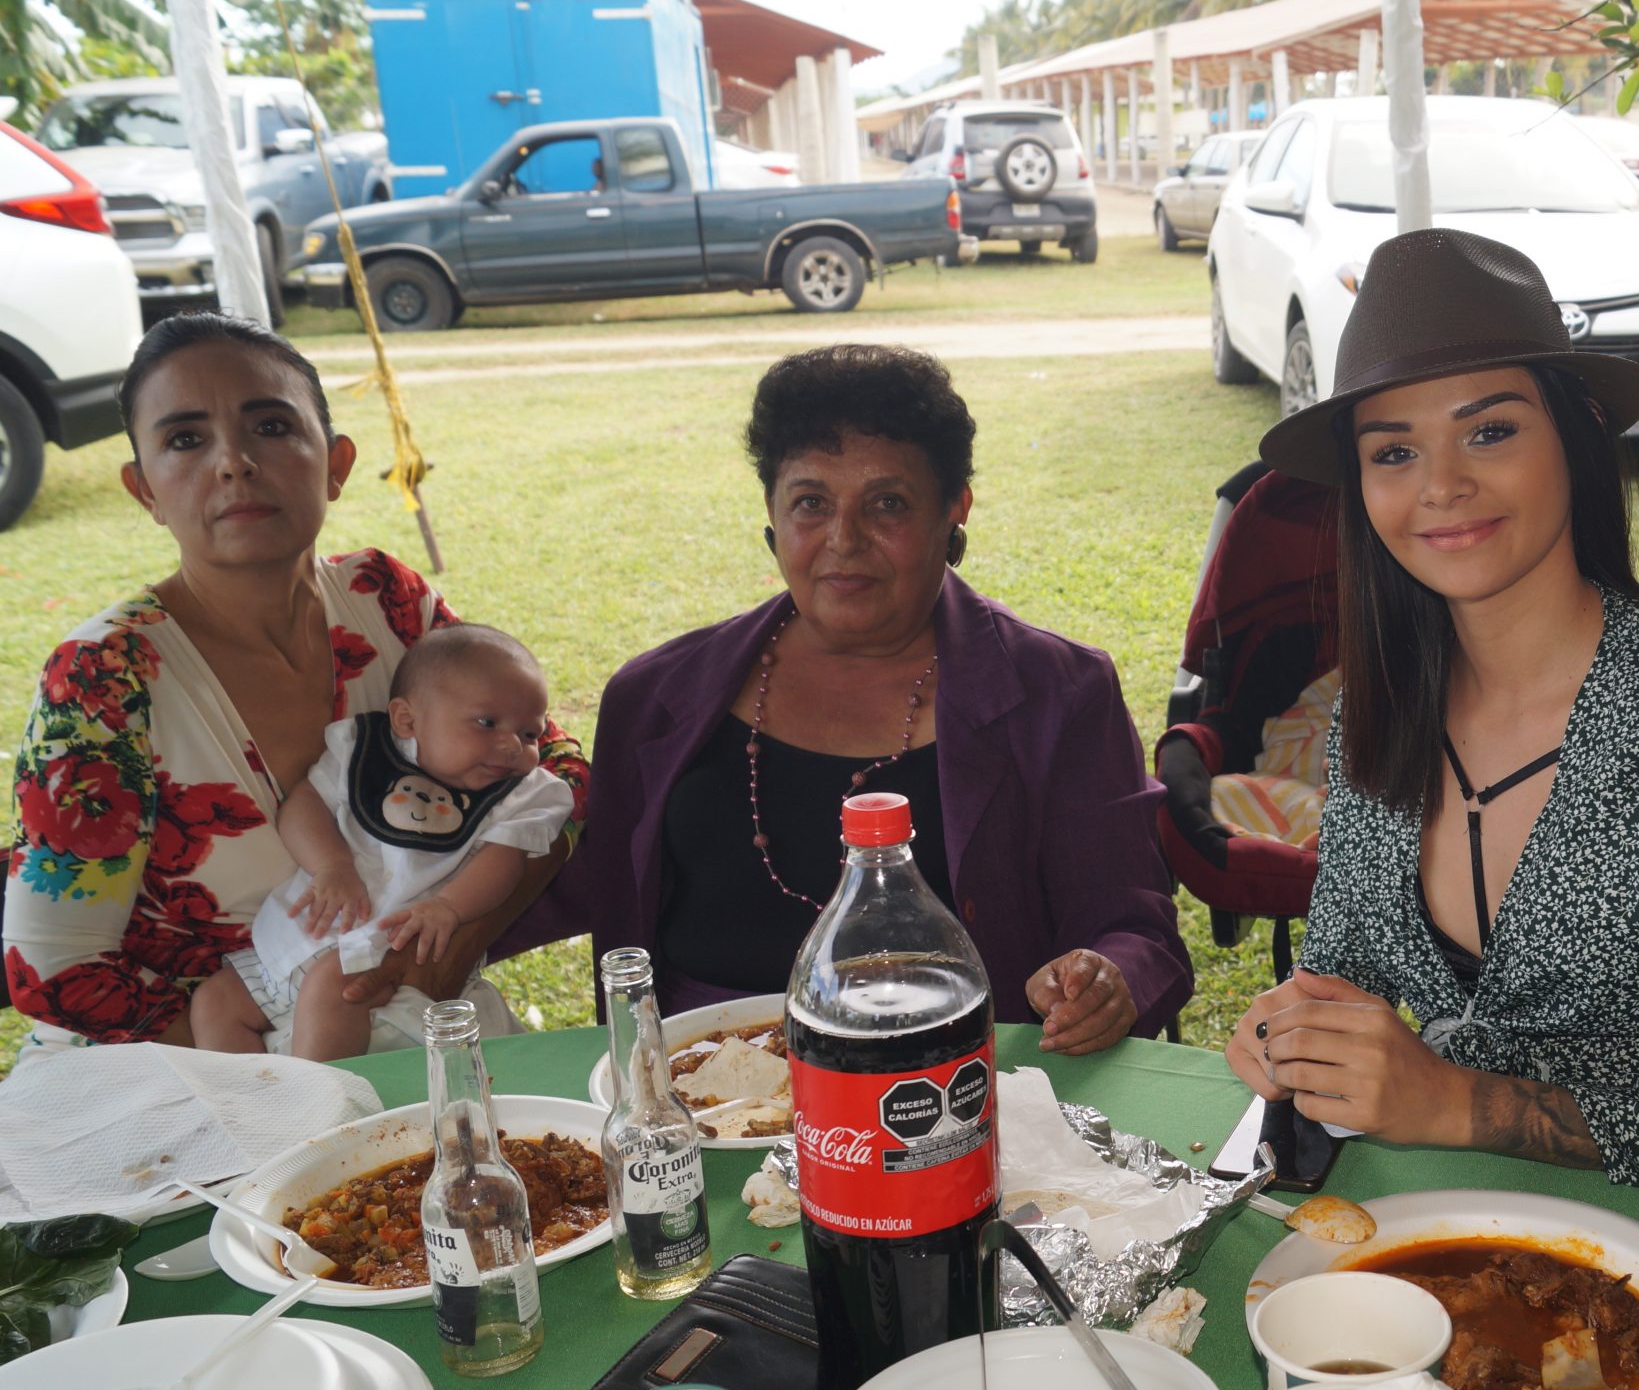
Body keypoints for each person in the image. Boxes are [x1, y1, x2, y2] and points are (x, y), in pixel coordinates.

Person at [1223, 229, 1639, 1241]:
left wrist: (1458, 1102)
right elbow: (1341, 969)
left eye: (1490, 431)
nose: (1440, 486)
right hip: (1439, 1234)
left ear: (1576, 435)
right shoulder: (1374, 708)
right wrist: (1297, 1028)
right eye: (1393, 451)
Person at [509, 344, 1189, 1052]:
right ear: (772, 512)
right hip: (699, 1086)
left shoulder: (1059, 693)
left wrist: (1105, 979)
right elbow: (567, 880)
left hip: (949, 1082)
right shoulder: (653, 699)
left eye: (888, 504)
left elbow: (1132, 924)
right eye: (811, 503)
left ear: (954, 509)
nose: (844, 539)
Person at [6, 313, 588, 1054]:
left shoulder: (385, 601)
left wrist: (449, 944)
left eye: (272, 426)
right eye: (185, 439)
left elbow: (560, 774)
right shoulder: (104, 678)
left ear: (336, 463)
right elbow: (55, 969)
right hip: (179, 1062)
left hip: (390, 1022)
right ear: (144, 490)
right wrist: (269, 1075)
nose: (234, 462)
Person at [191, 625, 575, 1061]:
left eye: (530, 734)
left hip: (384, 950)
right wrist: (331, 864)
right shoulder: (364, 754)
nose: (510, 746)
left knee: (335, 991)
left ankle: (316, 1096)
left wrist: (448, 907)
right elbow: (304, 805)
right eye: (487, 723)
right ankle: (243, 1095)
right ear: (407, 720)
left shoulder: (519, 795)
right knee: (215, 1002)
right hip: (293, 940)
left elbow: (505, 861)